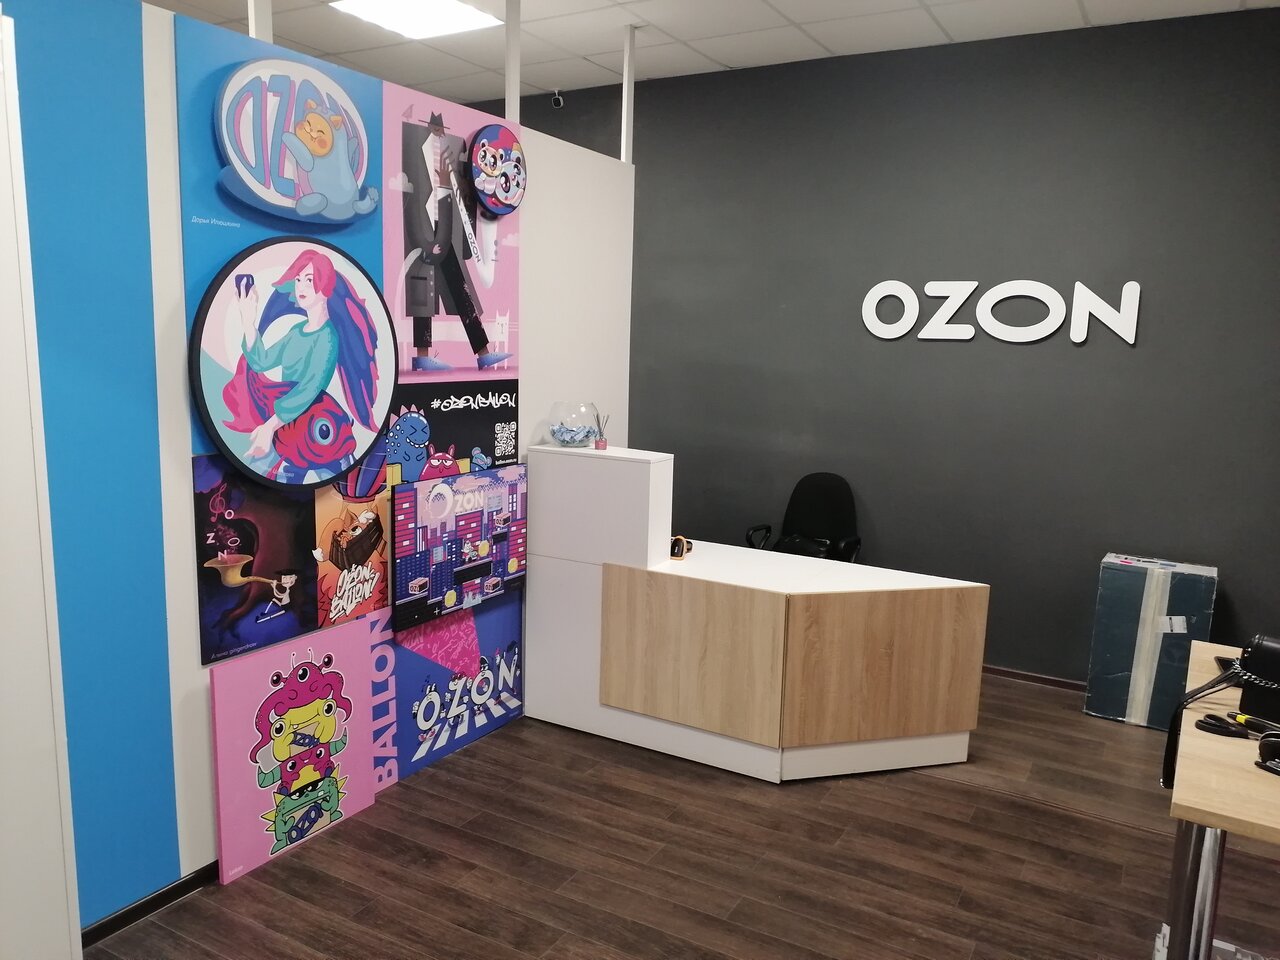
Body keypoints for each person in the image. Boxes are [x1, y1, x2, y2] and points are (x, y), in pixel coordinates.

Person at [223, 249, 380, 483]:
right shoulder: (296, 332)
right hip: (289, 424)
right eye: (298, 280)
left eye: (309, 280)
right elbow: (261, 361)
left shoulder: (328, 337)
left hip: (318, 423)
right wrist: (248, 320)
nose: (301, 287)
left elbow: (309, 388)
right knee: (279, 483)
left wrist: (270, 426)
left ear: (325, 286)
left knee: (336, 484)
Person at [401, 112, 510, 372]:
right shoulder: (416, 149)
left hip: (443, 228)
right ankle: (424, 355)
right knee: (423, 290)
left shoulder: (446, 154)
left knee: (461, 292)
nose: (440, 134)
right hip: (426, 231)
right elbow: (417, 195)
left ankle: (482, 353)